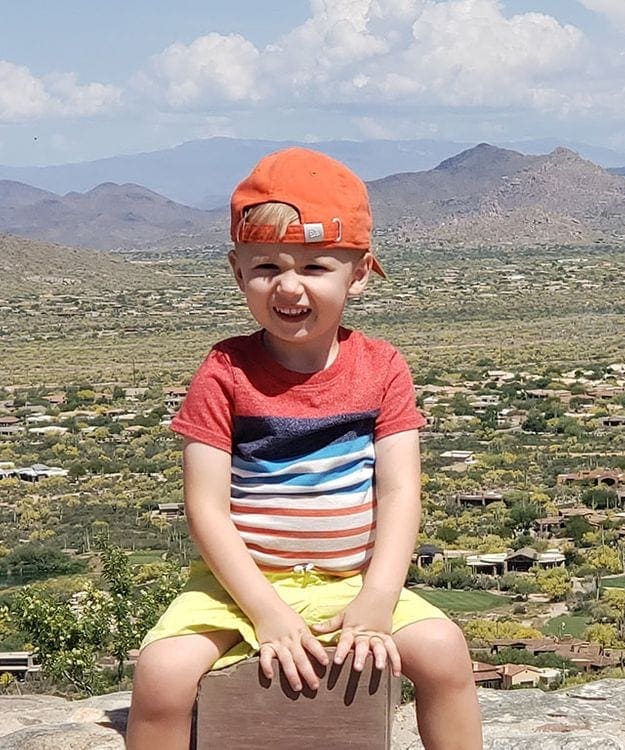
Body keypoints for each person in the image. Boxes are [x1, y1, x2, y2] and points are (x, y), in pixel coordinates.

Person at [126, 148, 483, 750]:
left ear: (360, 274)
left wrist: (378, 599)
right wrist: (264, 611)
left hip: (353, 580)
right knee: (161, 675)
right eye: (267, 266)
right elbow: (206, 508)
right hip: (238, 586)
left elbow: (399, 492)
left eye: (316, 267)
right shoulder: (225, 371)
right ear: (238, 272)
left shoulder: (382, 368)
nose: (288, 287)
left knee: (445, 655)